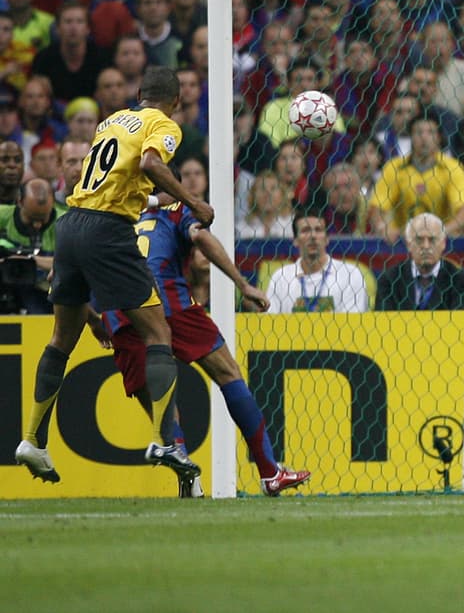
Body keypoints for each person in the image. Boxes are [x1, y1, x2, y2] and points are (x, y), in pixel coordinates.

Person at [15, 66, 214, 483]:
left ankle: (32, 439)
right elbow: (151, 163)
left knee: (60, 340)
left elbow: (118, 175)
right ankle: (165, 440)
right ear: (176, 101)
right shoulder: (164, 124)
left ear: (139, 92)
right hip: (108, 230)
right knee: (159, 334)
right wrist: (194, 202)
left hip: (71, 224)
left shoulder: (112, 121)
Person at [95, 202, 310, 497]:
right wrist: (242, 284)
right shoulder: (174, 209)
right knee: (228, 373)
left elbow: (79, 267)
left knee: (161, 401)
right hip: (167, 301)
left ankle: (187, 475)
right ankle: (270, 472)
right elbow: (200, 237)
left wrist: (94, 317)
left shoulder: (114, 212)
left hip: (119, 310)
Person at [266, 213, 370, 314]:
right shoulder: (281, 278)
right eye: (305, 230)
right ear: (295, 240)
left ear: (327, 239)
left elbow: (352, 324)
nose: (313, 236)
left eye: (318, 230)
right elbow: (270, 323)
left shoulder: (350, 275)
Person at [375, 212, 464, 311]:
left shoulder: (460, 281)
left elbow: (461, 323)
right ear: (408, 244)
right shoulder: (389, 280)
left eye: (432, 239)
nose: (426, 246)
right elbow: (382, 323)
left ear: (443, 243)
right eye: (419, 240)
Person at [0, 177, 62, 313]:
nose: (37, 225)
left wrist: (30, 260)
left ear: (53, 204)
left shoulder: (65, 223)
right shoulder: (3, 216)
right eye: (32, 218)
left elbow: (76, 263)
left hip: (47, 296)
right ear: (20, 202)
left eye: (43, 218)